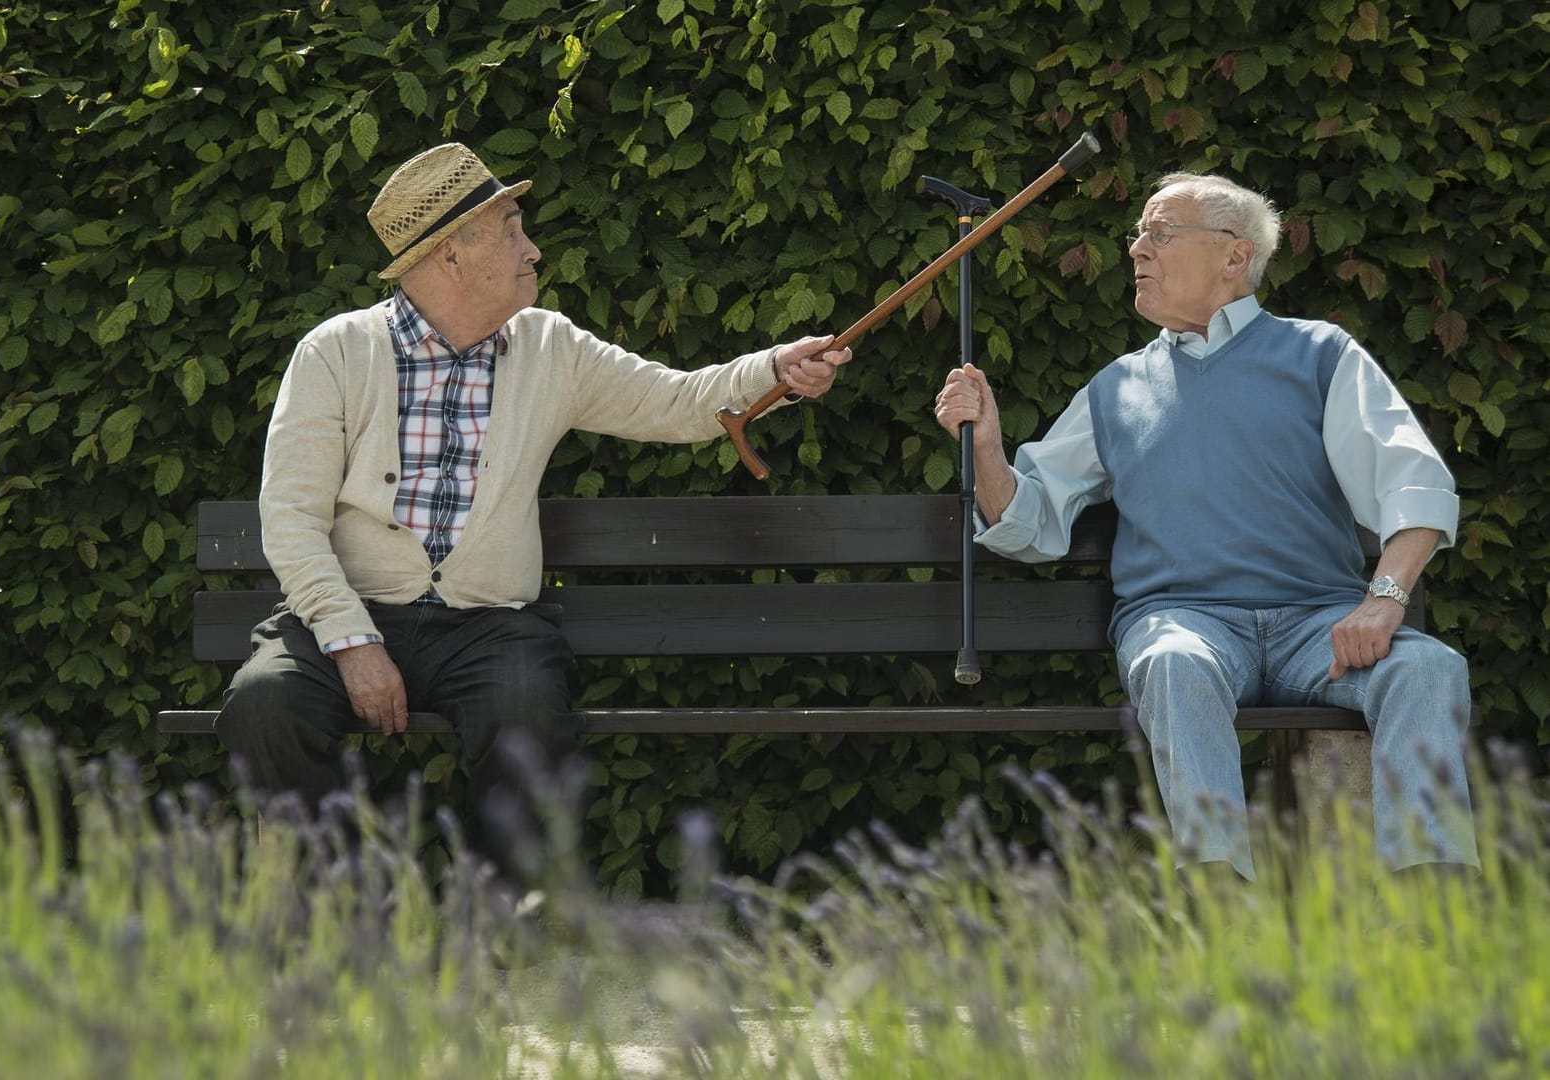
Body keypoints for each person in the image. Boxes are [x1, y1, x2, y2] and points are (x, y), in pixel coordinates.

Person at [215, 142, 851, 869]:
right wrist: (352, 643)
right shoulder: (335, 352)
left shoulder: (551, 347)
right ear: (452, 255)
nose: (534, 249)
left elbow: (676, 401)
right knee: (264, 704)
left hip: (489, 626)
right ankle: (325, 910)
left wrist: (777, 370)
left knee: (528, 716)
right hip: (349, 615)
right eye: (513, 229)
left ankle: (496, 922)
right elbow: (291, 517)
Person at [932, 171, 1478, 880]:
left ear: (1234, 256)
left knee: (1430, 668)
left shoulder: (1322, 354)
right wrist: (986, 448)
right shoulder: (1115, 387)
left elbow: (1414, 482)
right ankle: (1220, 895)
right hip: (1186, 621)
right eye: (1138, 235)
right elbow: (1031, 523)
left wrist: (1385, 599)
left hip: (1319, 627)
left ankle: (1427, 904)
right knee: (1174, 662)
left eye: (1160, 234)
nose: (1137, 250)